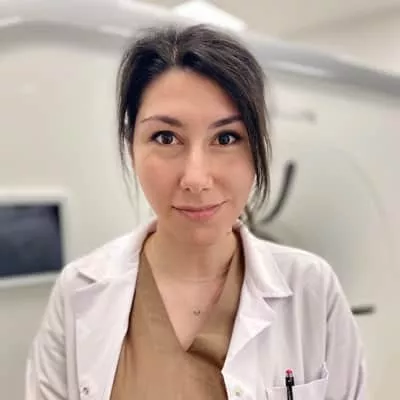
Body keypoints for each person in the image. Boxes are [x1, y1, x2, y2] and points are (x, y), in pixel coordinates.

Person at [25, 24, 366, 400]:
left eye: (226, 138)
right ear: (131, 146)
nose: (196, 179)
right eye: (166, 137)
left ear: (258, 147)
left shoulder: (312, 289)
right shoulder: (77, 291)